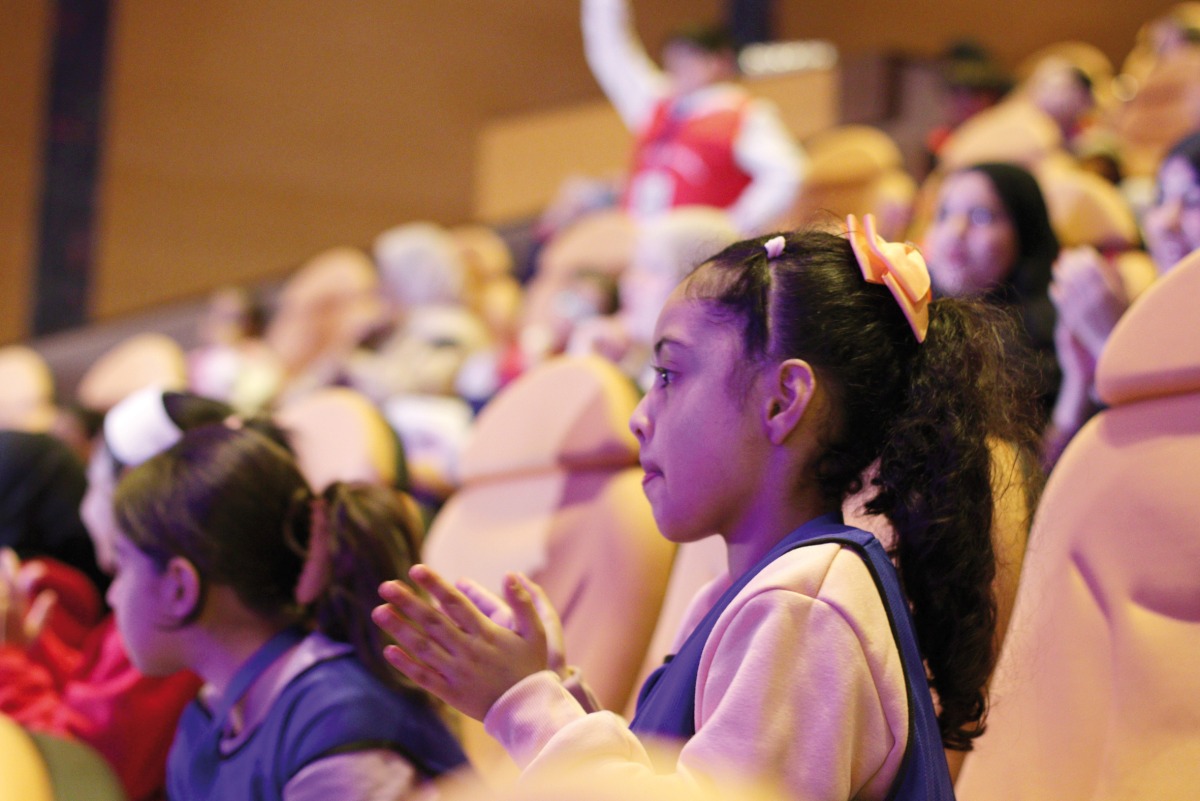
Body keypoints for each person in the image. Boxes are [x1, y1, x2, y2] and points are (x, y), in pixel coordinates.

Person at [373, 217, 1043, 799]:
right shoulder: (752, 594)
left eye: (668, 375)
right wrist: (552, 685)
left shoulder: (806, 605)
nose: (638, 416)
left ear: (783, 401)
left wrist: (522, 701)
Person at [111, 422, 467, 800]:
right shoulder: (207, 721)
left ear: (180, 587)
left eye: (120, 568)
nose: (113, 595)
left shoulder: (334, 719)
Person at [582, 0, 805, 234]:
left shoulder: (743, 114)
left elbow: (787, 174)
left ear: (721, 61)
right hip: (637, 241)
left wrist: (733, 226)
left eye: (690, 57)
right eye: (674, 58)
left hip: (695, 247)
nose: (680, 66)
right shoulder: (657, 104)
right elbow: (610, 52)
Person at [1047, 129, 1200, 464]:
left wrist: (1112, 347)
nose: (1165, 223)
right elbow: (1049, 493)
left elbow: (1174, 472)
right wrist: (1079, 382)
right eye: (1160, 199)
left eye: (1193, 201)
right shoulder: (1155, 315)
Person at [922, 162, 1060, 407]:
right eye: (944, 214)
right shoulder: (907, 312)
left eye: (981, 216)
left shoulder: (1054, 333)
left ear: (1024, 233)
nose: (955, 231)